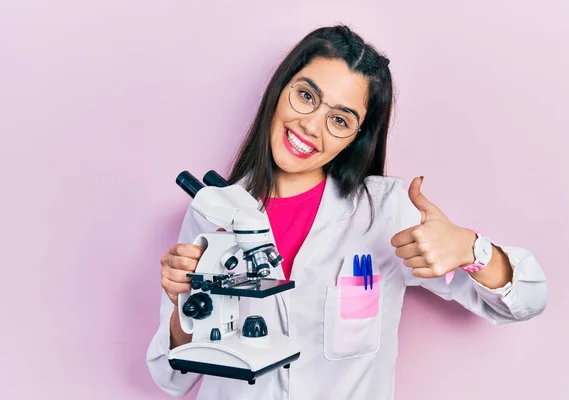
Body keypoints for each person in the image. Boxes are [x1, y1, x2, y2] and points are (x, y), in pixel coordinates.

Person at [146, 25, 548, 399]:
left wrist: (470, 249)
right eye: (305, 95)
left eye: (339, 119)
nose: (310, 126)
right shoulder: (215, 211)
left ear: (357, 137)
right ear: (280, 89)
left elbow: (526, 300)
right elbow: (171, 378)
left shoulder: (385, 212)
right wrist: (185, 301)